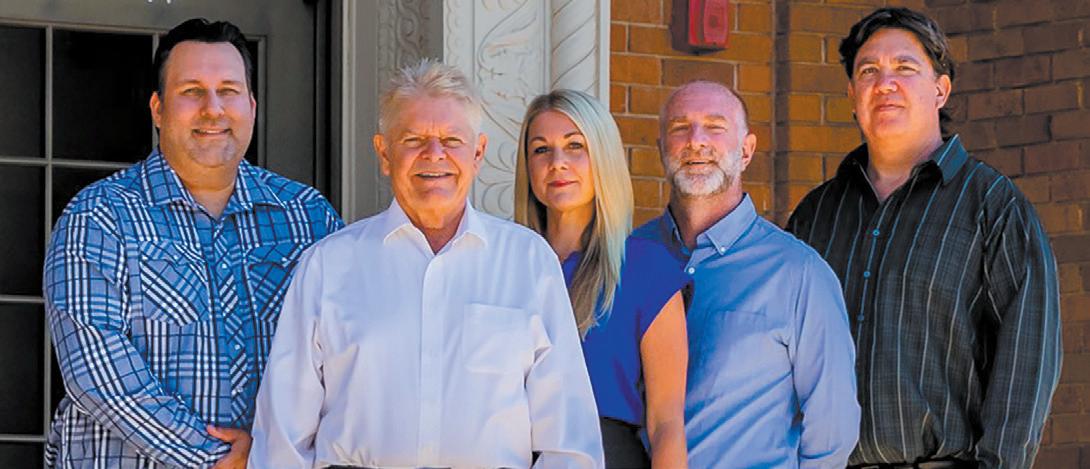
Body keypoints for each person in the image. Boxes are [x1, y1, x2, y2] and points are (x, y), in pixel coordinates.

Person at [247, 60, 604, 468]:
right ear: (384, 153)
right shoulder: (328, 265)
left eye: (452, 140)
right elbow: (282, 438)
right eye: (414, 139)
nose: (434, 155)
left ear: (478, 153)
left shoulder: (528, 262)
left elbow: (570, 441)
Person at [43, 18, 343, 469]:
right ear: (158, 109)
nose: (213, 108)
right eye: (192, 91)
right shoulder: (100, 216)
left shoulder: (309, 218)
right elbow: (96, 372)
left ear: (251, 106)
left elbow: (351, 355)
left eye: (228, 90)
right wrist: (221, 458)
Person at [787, 7, 1062, 468]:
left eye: (905, 67)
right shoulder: (815, 217)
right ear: (852, 93)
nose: (885, 83)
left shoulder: (993, 208)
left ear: (941, 89)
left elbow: (1027, 366)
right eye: (868, 71)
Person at [631, 80, 860, 468]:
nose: (696, 141)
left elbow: (832, 433)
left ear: (746, 150)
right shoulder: (628, 259)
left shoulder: (799, 274)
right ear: (661, 148)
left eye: (715, 127)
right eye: (680, 127)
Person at [513, 89, 688, 468]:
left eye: (575, 146)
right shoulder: (506, 268)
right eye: (541, 150)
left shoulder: (646, 267)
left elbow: (666, 422)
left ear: (603, 157)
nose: (557, 163)